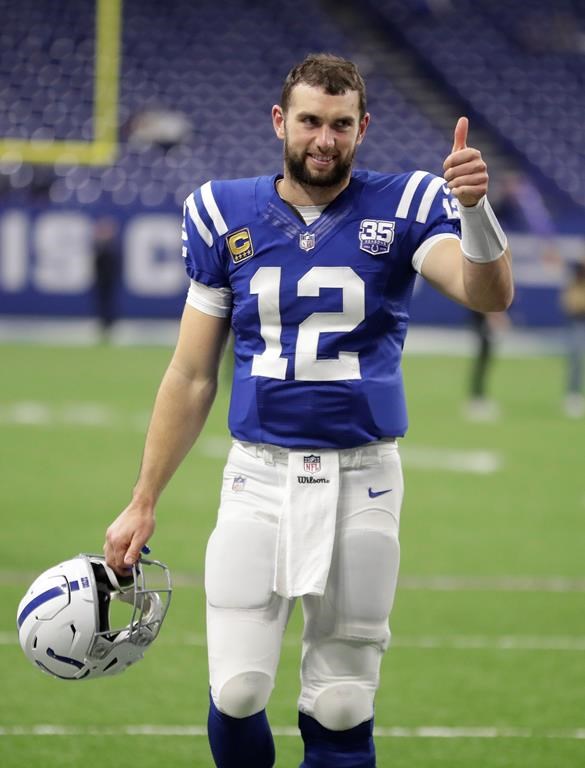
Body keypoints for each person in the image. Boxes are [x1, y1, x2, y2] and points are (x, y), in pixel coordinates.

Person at [103, 54, 513, 768]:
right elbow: (192, 374)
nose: (324, 139)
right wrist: (143, 499)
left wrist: (475, 211)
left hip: (364, 477)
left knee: (342, 699)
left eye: (341, 125)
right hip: (256, 475)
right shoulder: (220, 212)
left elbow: (487, 295)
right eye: (310, 122)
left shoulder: (408, 203)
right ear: (279, 122)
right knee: (236, 688)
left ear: (362, 128)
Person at [561, 256, 585, 418]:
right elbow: (570, 302)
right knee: (576, 356)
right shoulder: (576, 274)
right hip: (579, 319)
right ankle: (573, 394)